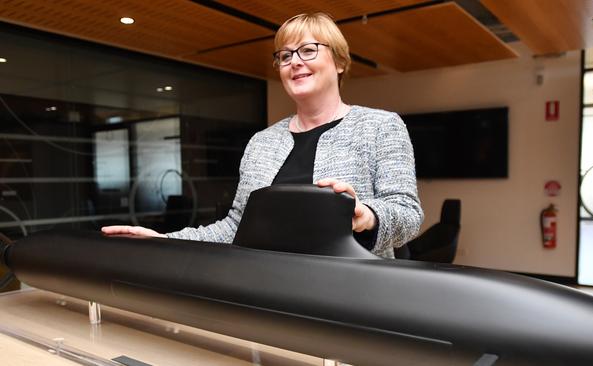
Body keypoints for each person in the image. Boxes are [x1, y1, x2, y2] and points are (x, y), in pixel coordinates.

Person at [102, 13, 423, 258]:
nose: (294, 61)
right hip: (271, 288)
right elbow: (235, 226)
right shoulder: (262, 142)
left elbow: (408, 215)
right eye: (284, 55)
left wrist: (367, 215)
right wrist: (165, 241)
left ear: (339, 61)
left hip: (354, 297)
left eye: (308, 50)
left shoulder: (381, 126)